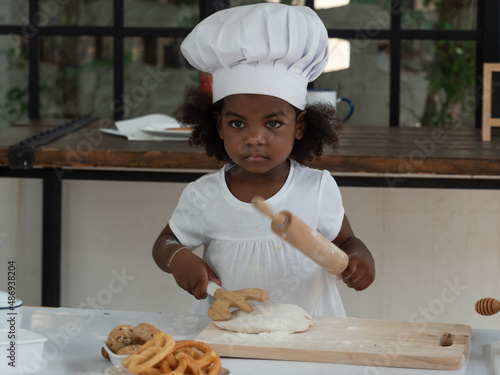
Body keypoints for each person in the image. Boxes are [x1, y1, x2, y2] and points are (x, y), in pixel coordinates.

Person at [153, 3, 375, 317]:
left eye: (272, 124)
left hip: (310, 343)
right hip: (227, 338)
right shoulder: (204, 195)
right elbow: (164, 243)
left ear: (299, 126)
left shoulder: (317, 188)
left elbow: (348, 241)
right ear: (218, 125)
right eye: (237, 124)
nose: (255, 138)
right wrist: (178, 258)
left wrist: (360, 259)